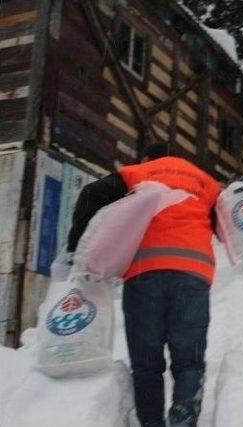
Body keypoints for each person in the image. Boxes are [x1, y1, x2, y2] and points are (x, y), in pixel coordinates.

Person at [67, 143, 221, 427]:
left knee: (146, 364)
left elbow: (93, 193)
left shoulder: (140, 172)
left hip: (144, 272)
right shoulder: (205, 181)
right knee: (189, 360)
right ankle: (184, 418)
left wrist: (76, 249)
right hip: (193, 274)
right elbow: (227, 222)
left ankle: (151, 423)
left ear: (148, 158)